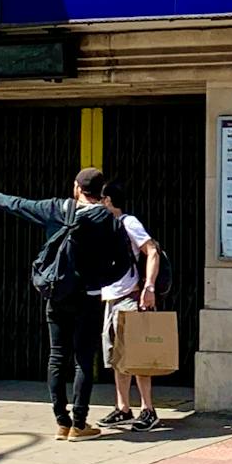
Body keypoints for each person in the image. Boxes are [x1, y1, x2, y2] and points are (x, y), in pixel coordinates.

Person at [0, 167, 127, 440]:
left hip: (57, 294)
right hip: (88, 297)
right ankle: (80, 424)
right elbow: (123, 263)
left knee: (57, 356)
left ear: (77, 188)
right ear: (102, 192)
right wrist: (101, 281)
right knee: (82, 360)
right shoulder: (109, 220)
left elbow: (22, 206)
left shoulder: (59, 209)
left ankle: (62, 421)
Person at [97, 182, 165, 431]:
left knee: (139, 356)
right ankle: (123, 408)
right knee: (118, 357)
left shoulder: (129, 222)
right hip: (110, 300)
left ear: (108, 201)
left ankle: (149, 409)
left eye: (101, 199)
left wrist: (149, 287)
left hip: (130, 297)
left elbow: (152, 251)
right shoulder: (104, 227)